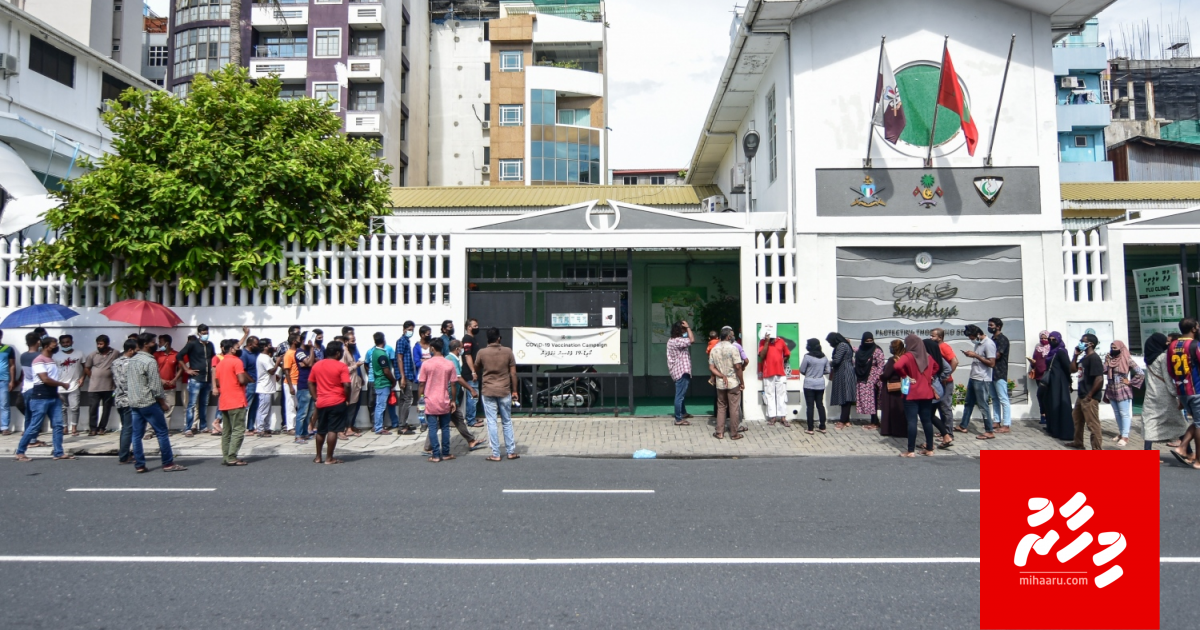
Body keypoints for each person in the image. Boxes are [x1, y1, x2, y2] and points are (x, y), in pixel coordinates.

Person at [128, 333, 185, 472]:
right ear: (146, 344)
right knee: (162, 432)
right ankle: (168, 463)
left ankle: (139, 464)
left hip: (134, 401)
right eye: (153, 342)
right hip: (148, 401)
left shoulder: (133, 360)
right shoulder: (150, 361)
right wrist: (162, 402)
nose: (156, 345)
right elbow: (155, 386)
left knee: (136, 435)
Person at [13, 336, 75, 461]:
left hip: (53, 397)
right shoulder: (38, 360)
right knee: (34, 426)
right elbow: (45, 379)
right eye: (54, 345)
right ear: (46, 346)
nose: (56, 346)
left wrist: (57, 394)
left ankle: (58, 452)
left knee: (58, 425)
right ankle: (20, 452)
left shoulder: (50, 360)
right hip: (40, 397)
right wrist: (62, 384)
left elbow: (51, 378)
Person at [424, 340, 485, 454]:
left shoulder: (453, 359)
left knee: (456, 419)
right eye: (462, 348)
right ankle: (431, 448)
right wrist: (471, 389)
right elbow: (456, 379)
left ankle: (470, 440)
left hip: (449, 396)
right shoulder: (450, 360)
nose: (463, 350)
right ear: (457, 349)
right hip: (448, 397)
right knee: (444, 422)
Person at [474, 327, 519, 461]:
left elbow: (476, 368)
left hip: (488, 390)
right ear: (499, 338)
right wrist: (515, 390)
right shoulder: (508, 351)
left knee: (491, 422)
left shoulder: (482, 353)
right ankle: (511, 451)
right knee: (507, 421)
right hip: (504, 390)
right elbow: (513, 374)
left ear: (488, 339)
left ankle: (496, 453)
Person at [1141, 333, 1188, 451]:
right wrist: (1177, 394)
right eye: (1165, 342)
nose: (1167, 344)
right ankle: (1188, 451)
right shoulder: (1163, 357)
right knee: (1179, 424)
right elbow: (1167, 379)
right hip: (1165, 396)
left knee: (1150, 424)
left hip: (1151, 395)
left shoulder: (1148, 359)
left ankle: (1147, 452)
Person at [894, 334, 939, 457]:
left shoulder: (908, 356)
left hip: (912, 393)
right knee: (927, 421)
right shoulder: (928, 356)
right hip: (926, 393)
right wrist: (930, 375)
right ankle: (929, 449)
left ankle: (910, 451)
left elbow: (897, 366)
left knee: (912, 421)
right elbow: (937, 366)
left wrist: (905, 376)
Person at [418, 338, 461, 462]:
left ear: (432, 348)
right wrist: (453, 400)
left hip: (430, 401)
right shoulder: (449, 364)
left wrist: (420, 400)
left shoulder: (426, 364)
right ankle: (446, 453)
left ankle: (436, 455)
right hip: (444, 400)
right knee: (445, 427)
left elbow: (421, 384)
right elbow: (454, 384)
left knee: (432, 428)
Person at [309, 341, 351, 465]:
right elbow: (347, 385)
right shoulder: (341, 366)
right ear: (337, 353)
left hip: (322, 402)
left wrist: (315, 398)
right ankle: (329, 458)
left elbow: (310, 382)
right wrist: (347, 398)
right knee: (333, 430)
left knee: (321, 430)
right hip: (337, 401)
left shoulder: (317, 365)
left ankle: (318, 457)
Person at [213, 339, 251, 466]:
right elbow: (241, 380)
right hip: (237, 400)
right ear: (231, 349)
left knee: (227, 431)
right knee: (238, 430)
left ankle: (226, 456)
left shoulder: (220, 363)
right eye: (237, 347)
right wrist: (247, 379)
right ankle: (232, 457)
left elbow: (217, 382)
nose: (239, 349)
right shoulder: (237, 361)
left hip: (224, 400)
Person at [1169, 319, 1200, 468]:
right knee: (1199, 424)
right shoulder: (1195, 345)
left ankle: (1182, 447)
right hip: (1196, 389)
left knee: (1198, 421)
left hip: (1182, 390)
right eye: (1197, 326)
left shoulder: (1173, 345)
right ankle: (1198, 460)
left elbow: (1170, 370)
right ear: (1193, 329)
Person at [1066, 333, 1105, 451]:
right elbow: (1072, 369)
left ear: (1090, 344)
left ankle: (1096, 448)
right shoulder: (1084, 358)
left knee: (1092, 424)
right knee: (1077, 419)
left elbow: (1099, 379)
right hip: (1081, 395)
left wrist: (1090, 395)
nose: (1080, 343)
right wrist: (1075, 356)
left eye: (1083, 341)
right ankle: (1078, 442)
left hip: (1090, 397)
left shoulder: (1094, 358)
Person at [957, 324, 996, 439]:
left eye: (972, 337)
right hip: (974, 377)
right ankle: (963, 425)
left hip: (982, 379)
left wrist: (976, 355)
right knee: (968, 403)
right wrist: (972, 355)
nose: (971, 339)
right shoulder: (979, 344)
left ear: (978, 334)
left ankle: (989, 430)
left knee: (983, 405)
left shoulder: (988, 344)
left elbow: (992, 363)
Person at [177, 324, 216, 436]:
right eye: (203, 333)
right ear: (199, 333)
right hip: (196, 379)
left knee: (204, 404)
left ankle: (203, 427)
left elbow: (213, 359)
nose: (205, 335)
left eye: (206, 333)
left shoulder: (210, 345)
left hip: (207, 379)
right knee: (192, 404)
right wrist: (187, 369)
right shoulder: (192, 344)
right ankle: (188, 428)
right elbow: (179, 356)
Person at [1103, 340, 1143, 447]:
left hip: (1122, 389)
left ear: (1121, 348)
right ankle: (1121, 433)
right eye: (1112, 348)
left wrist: (1130, 382)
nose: (1113, 350)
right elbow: (1103, 370)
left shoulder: (1126, 359)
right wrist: (1106, 361)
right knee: (1117, 413)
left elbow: (1140, 373)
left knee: (1124, 413)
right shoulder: (1111, 359)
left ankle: (1125, 436)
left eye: (1115, 348)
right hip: (1111, 388)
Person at [709, 328, 744, 439]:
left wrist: (721, 375)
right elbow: (738, 367)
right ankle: (734, 433)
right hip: (733, 382)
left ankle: (720, 432)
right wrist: (742, 382)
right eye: (732, 335)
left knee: (721, 406)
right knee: (734, 408)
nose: (733, 337)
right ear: (728, 337)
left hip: (720, 384)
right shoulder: (733, 349)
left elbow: (711, 368)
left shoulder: (714, 349)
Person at [1043, 331, 1075, 441]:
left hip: (1060, 382)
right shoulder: (1051, 352)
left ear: (1059, 339)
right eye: (1050, 339)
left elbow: (1068, 367)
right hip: (1051, 382)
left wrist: (1069, 382)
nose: (1052, 341)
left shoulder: (1061, 351)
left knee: (1060, 405)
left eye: (1054, 339)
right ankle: (1054, 429)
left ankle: (1064, 432)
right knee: (1051, 405)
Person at [923, 338, 955, 448]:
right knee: (930, 415)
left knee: (927, 416)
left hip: (932, 390)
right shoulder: (938, 358)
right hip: (939, 388)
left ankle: (930, 443)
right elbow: (948, 369)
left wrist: (937, 378)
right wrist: (940, 379)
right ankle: (946, 436)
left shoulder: (927, 358)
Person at [758, 325, 790, 426]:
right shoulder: (762, 342)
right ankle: (772, 417)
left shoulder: (781, 341)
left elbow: (787, 354)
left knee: (782, 395)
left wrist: (780, 361)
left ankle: (783, 417)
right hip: (768, 373)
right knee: (769, 395)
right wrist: (767, 342)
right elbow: (762, 355)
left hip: (780, 373)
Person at [112, 339, 138, 463]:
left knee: (125, 427)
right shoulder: (131, 363)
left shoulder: (115, 362)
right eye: (136, 350)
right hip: (129, 399)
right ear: (130, 350)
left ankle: (125, 452)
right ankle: (124, 455)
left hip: (119, 398)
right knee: (128, 428)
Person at [14, 332, 43, 443]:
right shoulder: (39, 357)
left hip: (26, 387)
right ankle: (32, 439)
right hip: (36, 387)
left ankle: (28, 438)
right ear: (38, 342)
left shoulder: (23, 356)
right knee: (36, 415)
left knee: (28, 415)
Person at [53, 334, 84, 436]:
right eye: (63, 343)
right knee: (62, 409)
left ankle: (74, 428)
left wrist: (82, 378)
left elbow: (86, 367)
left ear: (72, 342)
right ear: (60, 344)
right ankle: (64, 428)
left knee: (74, 408)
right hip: (60, 387)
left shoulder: (79, 354)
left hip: (74, 385)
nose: (66, 344)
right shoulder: (55, 356)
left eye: (68, 342)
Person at [930, 328, 959, 434]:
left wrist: (946, 376)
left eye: (933, 336)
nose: (931, 338)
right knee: (940, 406)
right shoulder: (936, 347)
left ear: (940, 337)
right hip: (940, 382)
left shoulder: (944, 347)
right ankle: (944, 431)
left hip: (946, 382)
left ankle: (948, 432)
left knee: (945, 407)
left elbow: (955, 361)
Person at [853, 332, 885, 430]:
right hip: (862, 378)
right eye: (867, 341)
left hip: (873, 380)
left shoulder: (877, 351)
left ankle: (875, 422)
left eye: (871, 340)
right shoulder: (860, 350)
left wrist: (875, 379)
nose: (869, 342)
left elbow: (881, 366)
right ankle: (874, 421)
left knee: (873, 401)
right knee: (868, 402)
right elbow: (857, 360)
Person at [368, 332, 396, 435]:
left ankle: (378, 426)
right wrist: (393, 380)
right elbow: (386, 371)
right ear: (383, 340)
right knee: (380, 406)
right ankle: (379, 428)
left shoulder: (374, 352)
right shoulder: (381, 354)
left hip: (378, 382)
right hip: (383, 383)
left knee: (378, 405)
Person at [153, 335, 183, 435]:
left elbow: (181, 368)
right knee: (154, 408)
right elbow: (152, 370)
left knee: (168, 409)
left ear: (167, 343)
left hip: (170, 387)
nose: (159, 344)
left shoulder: (176, 354)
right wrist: (160, 380)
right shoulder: (156, 355)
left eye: (161, 342)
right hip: (157, 386)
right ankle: (150, 431)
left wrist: (175, 379)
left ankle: (165, 430)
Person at [878, 340, 908, 439]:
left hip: (891, 387)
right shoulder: (905, 358)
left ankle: (889, 429)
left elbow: (887, 374)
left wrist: (880, 377)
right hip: (902, 387)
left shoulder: (892, 360)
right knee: (901, 409)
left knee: (890, 408)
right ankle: (901, 430)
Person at [799, 339, 829, 434]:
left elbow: (802, 369)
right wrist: (820, 372)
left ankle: (810, 428)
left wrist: (809, 373)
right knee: (820, 405)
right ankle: (822, 427)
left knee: (810, 406)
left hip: (809, 383)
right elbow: (828, 370)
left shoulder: (807, 357)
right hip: (820, 383)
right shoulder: (824, 357)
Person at [825, 333, 856, 429]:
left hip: (844, 372)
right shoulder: (845, 344)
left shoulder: (842, 345)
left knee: (845, 397)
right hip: (846, 371)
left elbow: (837, 360)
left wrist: (827, 363)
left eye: (830, 342)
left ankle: (842, 421)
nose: (830, 344)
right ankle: (846, 420)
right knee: (846, 396)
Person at [666, 320, 694, 426]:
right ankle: (678, 419)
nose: (685, 331)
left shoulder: (671, 340)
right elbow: (692, 340)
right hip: (681, 371)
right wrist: (689, 327)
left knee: (681, 394)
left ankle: (683, 412)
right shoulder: (677, 341)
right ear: (679, 330)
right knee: (679, 396)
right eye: (683, 329)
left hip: (677, 371)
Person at [340, 326, 366, 437]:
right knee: (348, 406)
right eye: (352, 341)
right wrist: (356, 365)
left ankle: (350, 426)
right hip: (348, 383)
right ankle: (345, 428)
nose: (354, 343)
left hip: (355, 382)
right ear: (346, 342)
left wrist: (361, 377)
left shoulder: (352, 350)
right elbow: (343, 369)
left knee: (353, 406)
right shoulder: (343, 352)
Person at [987, 318, 1012, 434]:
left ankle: (1006, 424)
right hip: (991, 372)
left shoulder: (1002, 339)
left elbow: (997, 355)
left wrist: (983, 356)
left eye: (991, 325)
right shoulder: (992, 339)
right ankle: (997, 421)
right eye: (989, 325)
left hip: (1000, 372)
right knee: (994, 398)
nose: (989, 327)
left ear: (998, 326)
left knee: (1003, 399)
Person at [395, 320, 418, 433]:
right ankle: (402, 426)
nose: (411, 332)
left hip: (408, 374)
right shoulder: (401, 341)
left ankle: (402, 423)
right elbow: (399, 359)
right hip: (404, 375)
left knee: (403, 400)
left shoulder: (407, 341)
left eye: (412, 330)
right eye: (409, 330)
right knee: (408, 399)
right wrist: (403, 377)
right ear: (404, 329)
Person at [294, 334, 318, 441]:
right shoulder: (299, 352)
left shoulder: (309, 352)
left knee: (309, 412)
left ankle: (305, 433)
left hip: (312, 384)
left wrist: (310, 361)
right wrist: (311, 351)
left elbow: (315, 362)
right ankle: (298, 435)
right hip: (304, 385)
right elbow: (309, 363)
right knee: (302, 412)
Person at [1026, 331, 1051, 425]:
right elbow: (1035, 361)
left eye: (1045, 338)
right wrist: (1032, 362)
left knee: (1047, 396)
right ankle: (1043, 415)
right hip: (1038, 376)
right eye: (1041, 338)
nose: (1043, 340)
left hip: (1047, 375)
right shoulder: (1037, 349)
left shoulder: (1051, 349)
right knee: (1040, 396)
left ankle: (1049, 415)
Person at [254, 339, 278, 435]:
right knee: (263, 410)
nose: (271, 347)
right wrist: (278, 362)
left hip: (268, 388)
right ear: (264, 347)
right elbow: (271, 371)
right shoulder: (263, 358)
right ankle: (260, 429)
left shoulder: (267, 357)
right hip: (264, 388)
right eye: (269, 345)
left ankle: (266, 428)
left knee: (268, 410)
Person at [460, 319, 481, 428]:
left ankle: (472, 417)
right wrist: (473, 371)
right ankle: (471, 420)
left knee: (474, 396)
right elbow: (467, 355)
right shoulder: (467, 339)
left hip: (473, 372)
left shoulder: (473, 338)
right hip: (469, 373)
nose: (477, 328)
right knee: (473, 395)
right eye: (475, 326)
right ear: (469, 327)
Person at [281, 333, 302, 439]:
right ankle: (290, 427)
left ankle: (298, 426)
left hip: (298, 382)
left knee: (298, 405)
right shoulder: (289, 354)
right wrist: (290, 386)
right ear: (294, 341)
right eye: (299, 339)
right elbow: (286, 371)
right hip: (291, 383)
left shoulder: (298, 352)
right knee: (291, 406)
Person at [240, 336, 260, 437]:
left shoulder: (256, 353)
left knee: (254, 406)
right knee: (246, 406)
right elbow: (242, 370)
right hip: (250, 384)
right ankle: (241, 428)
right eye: (256, 344)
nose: (258, 346)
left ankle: (251, 426)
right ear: (250, 344)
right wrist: (250, 379)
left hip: (258, 383)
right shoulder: (244, 354)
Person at [0, 330, 16, 435]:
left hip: (4, 380)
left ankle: (5, 427)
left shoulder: (8, 349)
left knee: (4, 404)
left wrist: (12, 381)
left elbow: (12, 365)